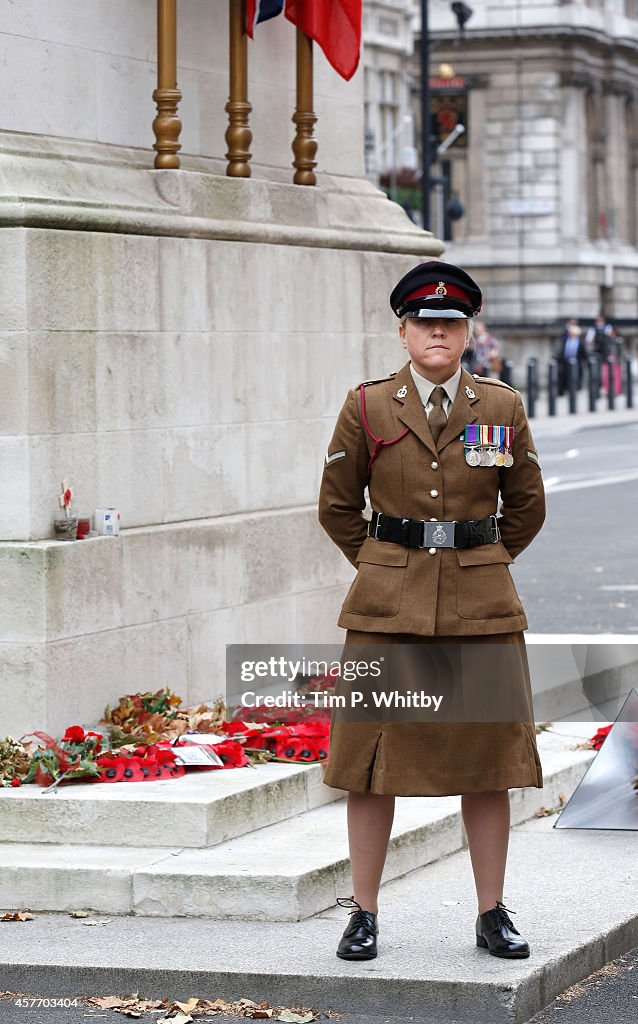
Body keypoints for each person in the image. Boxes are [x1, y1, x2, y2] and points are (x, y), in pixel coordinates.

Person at [318, 260, 546, 964]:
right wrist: (390, 563)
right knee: (368, 764)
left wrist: (478, 558)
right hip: (388, 610)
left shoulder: (501, 407)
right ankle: (361, 913)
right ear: (404, 331)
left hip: (482, 609)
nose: (438, 332)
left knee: (488, 762)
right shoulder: (368, 406)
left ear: (469, 330)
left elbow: (528, 505)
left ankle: (491, 912)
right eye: (425, 322)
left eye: (450, 322)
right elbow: (336, 506)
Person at [557, 319, 587, 394]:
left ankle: (575, 390)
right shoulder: (565, 339)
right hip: (565, 362)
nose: (570, 333)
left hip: (576, 363)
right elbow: (561, 351)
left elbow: (584, 353)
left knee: (575, 377)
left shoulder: (580, 342)